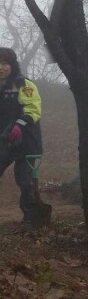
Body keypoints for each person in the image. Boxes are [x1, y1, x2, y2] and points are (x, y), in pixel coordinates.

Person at [0, 47, 43, 225]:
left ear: (12, 65)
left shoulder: (23, 84)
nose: (0, 67)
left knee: (24, 181)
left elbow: (33, 109)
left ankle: (31, 217)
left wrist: (19, 125)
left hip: (25, 141)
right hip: (4, 141)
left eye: (4, 63)